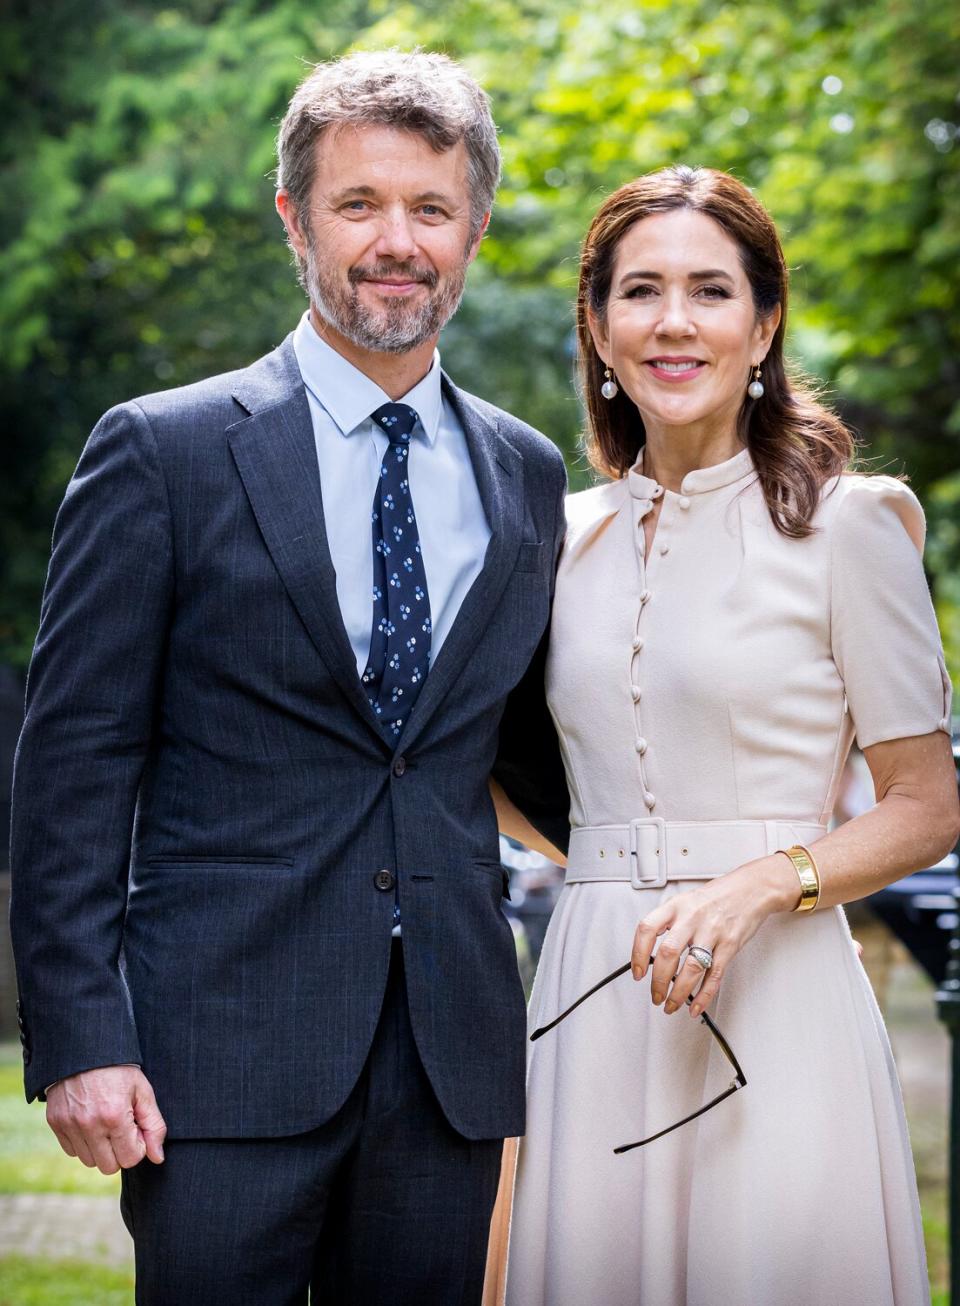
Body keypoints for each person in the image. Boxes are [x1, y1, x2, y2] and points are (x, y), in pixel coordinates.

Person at [9, 50, 568, 1305]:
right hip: (218, 1055)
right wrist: (81, 1039)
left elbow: (526, 744)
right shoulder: (163, 451)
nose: (396, 241)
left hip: (449, 1057)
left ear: (473, 226)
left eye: (430, 208)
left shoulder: (525, 472)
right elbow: (74, 764)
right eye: (357, 204)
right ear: (293, 218)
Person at [496, 166, 959, 1305]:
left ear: (765, 323)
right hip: (591, 988)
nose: (673, 322)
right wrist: (611, 869)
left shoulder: (855, 524)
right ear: (598, 329)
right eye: (640, 291)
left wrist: (757, 881)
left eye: (711, 290)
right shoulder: (555, 539)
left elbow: (926, 803)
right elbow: (489, 767)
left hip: (782, 983)